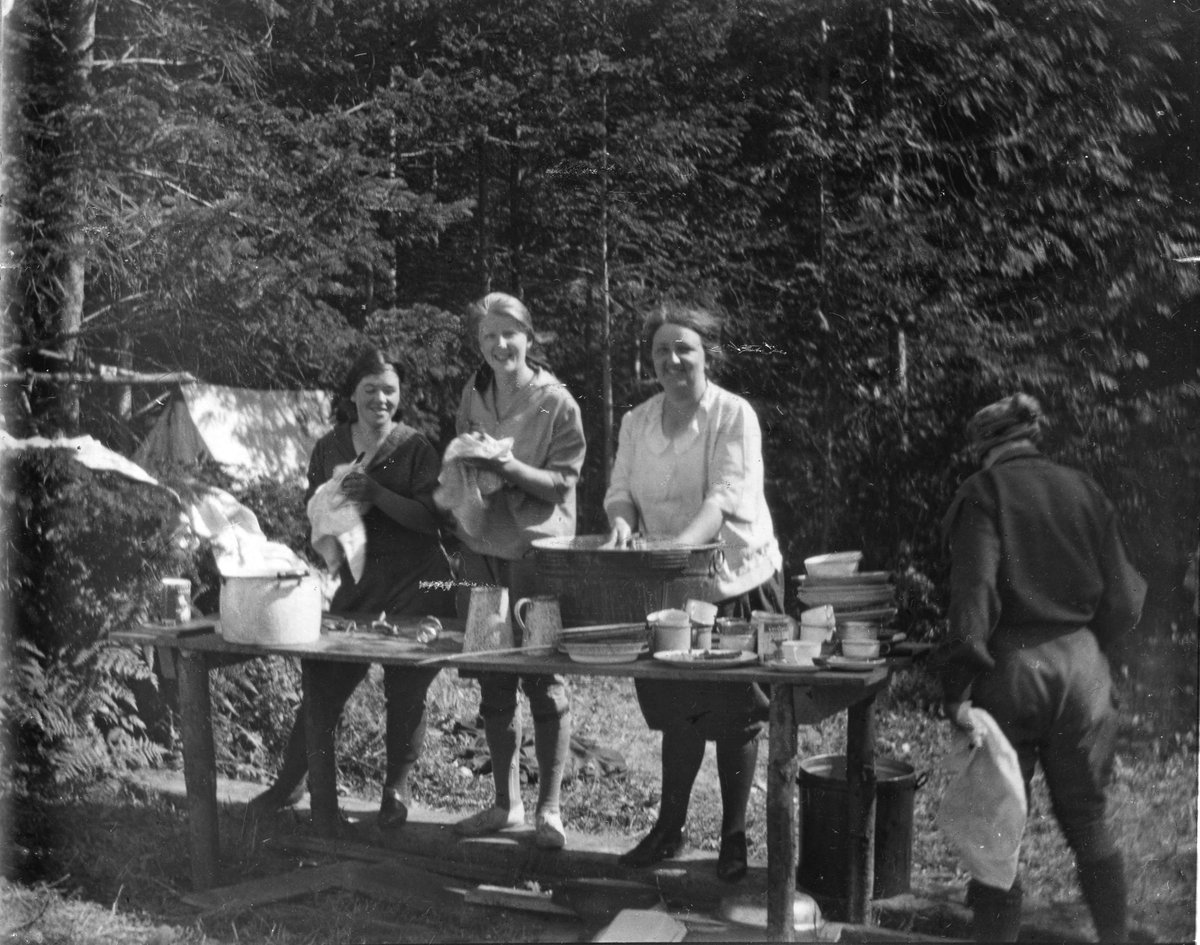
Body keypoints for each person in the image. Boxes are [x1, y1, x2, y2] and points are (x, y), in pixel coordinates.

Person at [936, 393, 1146, 942]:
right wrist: (1089, 650)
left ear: (984, 447)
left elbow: (974, 595)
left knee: (995, 830)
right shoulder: (1085, 490)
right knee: (1088, 822)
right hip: (1083, 671)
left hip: (1012, 673)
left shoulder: (982, 494)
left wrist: (957, 685)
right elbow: (1124, 599)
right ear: (1030, 439)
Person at [603, 301, 783, 882]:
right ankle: (668, 829)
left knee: (735, 713)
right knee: (675, 710)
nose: (673, 359)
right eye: (662, 350)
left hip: (734, 580)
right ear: (650, 360)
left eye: (686, 349)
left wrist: (675, 550)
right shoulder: (636, 422)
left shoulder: (735, 416)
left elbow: (725, 498)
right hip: (664, 584)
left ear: (707, 356)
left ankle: (733, 840)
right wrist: (624, 527)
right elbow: (621, 490)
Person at [247, 348, 455, 828]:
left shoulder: (415, 447)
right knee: (323, 681)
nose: (380, 399)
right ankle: (293, 783)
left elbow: (433, 521)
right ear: (351, 395)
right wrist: (329, 514)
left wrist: (378, 495)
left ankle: (395, 792)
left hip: (416, 583)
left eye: (390, 390)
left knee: (405, 689)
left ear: (400, 396)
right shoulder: (330, 447)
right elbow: (317, 511)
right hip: (356, 583)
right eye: (370, 390)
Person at [448, 292, 586, 851]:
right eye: (488, 337)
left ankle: (549, 810)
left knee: (544, 677)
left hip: (537, 557)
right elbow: (460, 455)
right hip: (481, 549)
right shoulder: (473, 393)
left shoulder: (557, 402)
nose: (500, 345)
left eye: (510, 333)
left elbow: (562, 484)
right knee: (491, 675)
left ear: (529, 337)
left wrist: (507, 466)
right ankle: (506, 805)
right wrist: (473, 470)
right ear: (479, 345)